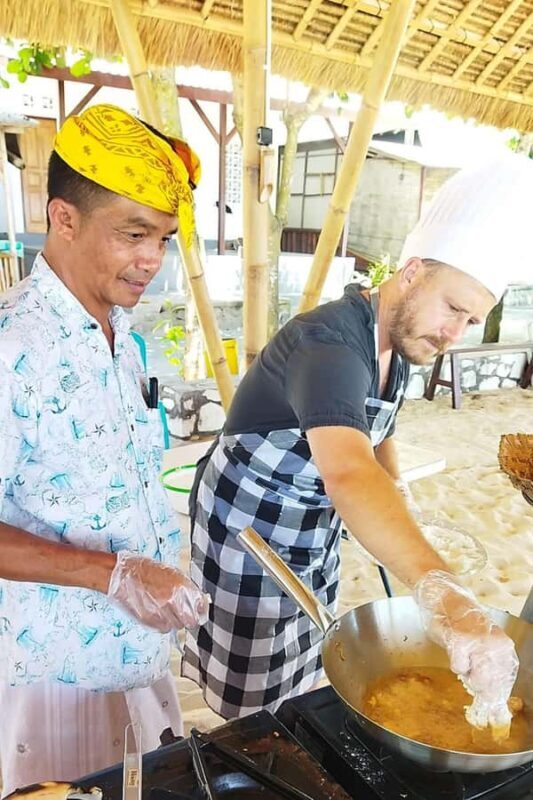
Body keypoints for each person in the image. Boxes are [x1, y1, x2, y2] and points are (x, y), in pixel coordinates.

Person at [182, 154, 533, 731]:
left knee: (308, 648)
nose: (454, 332)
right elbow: (347, 470)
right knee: (250, 696)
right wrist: (446, 594)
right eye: (453, 308)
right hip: (249, 530)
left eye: (470, 321)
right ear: (413, 270)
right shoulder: (328, 345)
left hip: (315, 521)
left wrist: (398, 496)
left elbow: (379, 430)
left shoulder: (401, 340)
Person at [0, 104, 210, 796]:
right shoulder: (11, 349)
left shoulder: (120, 333)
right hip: (48, 680)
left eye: (164, 238)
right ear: (63, 218)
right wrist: (113, 574)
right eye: (133, 234)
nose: (153, 260)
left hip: (138, 659)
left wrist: (144, 575)